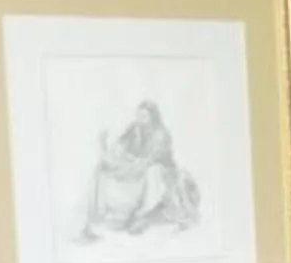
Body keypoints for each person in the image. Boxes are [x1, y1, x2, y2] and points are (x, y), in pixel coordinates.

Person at [80, 100, 201, 241]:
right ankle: (101, 215)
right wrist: (114, 153)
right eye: (138, 116)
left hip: (162, 174)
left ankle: (142, 214)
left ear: (152, 118)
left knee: (152, 172)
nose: (140, 120)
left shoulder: (160, 134)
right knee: (103, 169)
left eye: (144, 117)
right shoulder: (135, 128)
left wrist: (130, 166)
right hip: (137, 166)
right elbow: (122, 144)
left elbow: (151, 158)